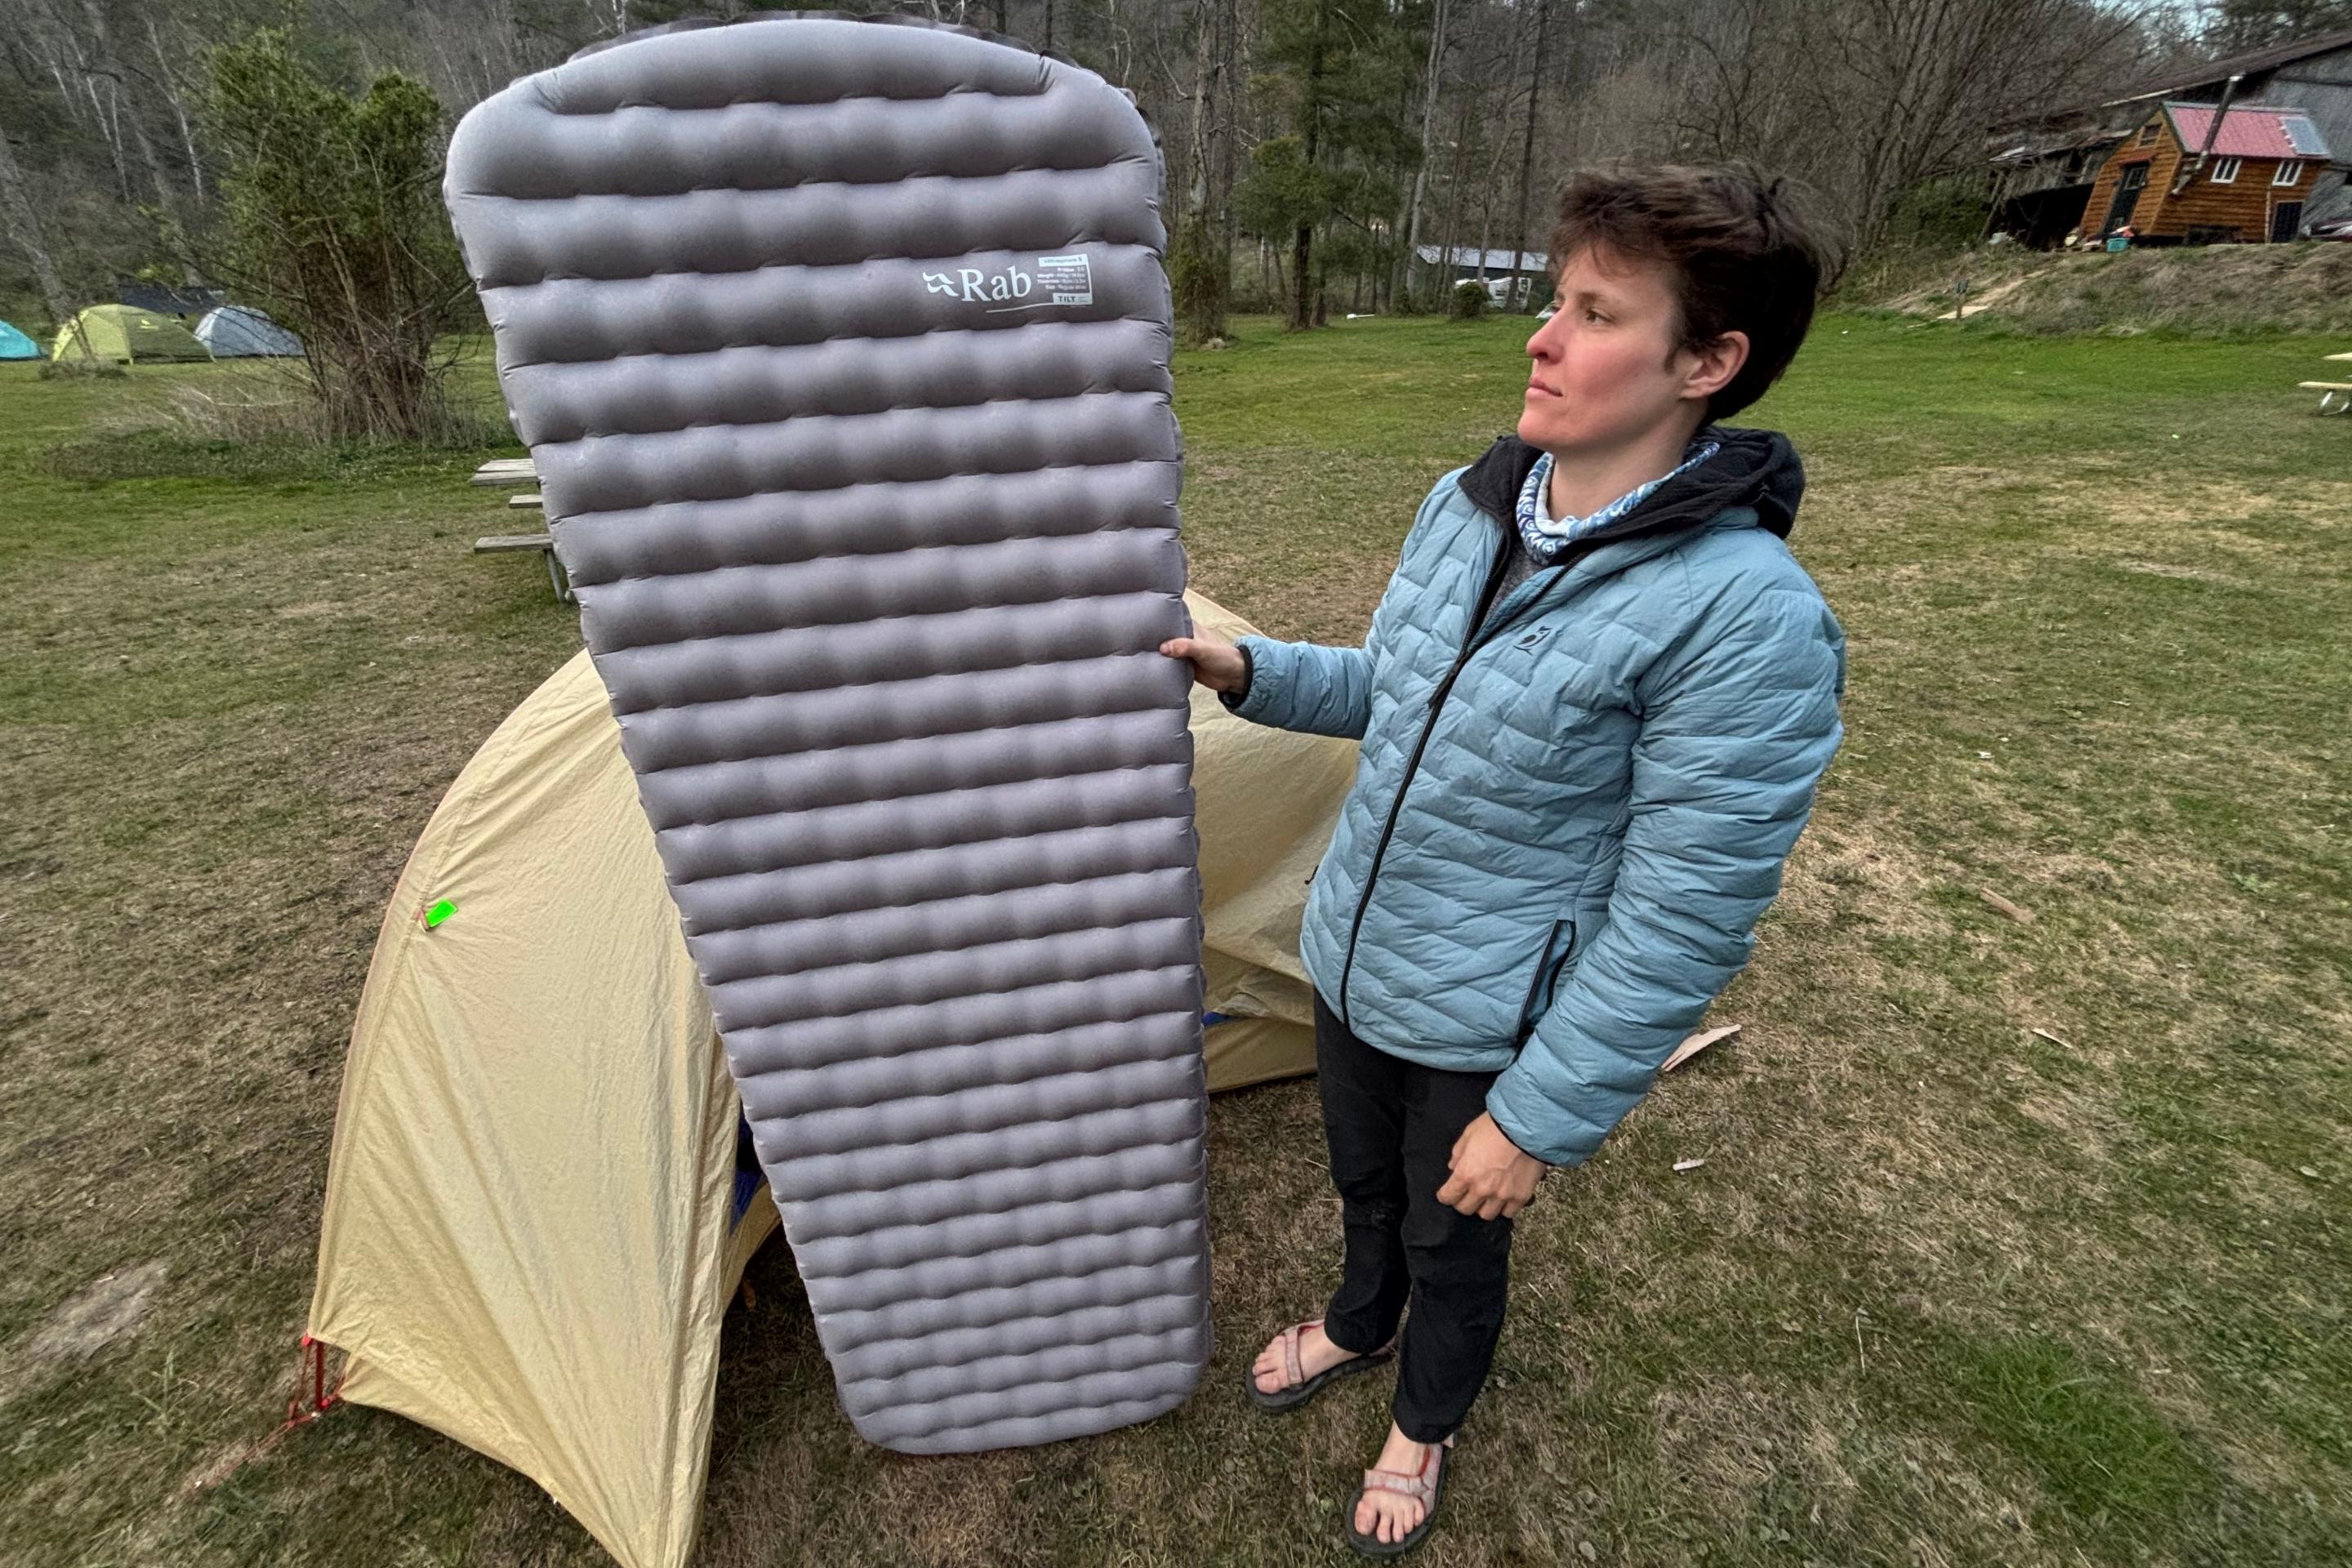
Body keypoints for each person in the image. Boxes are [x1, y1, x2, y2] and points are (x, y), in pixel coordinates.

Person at [1159, 163, 1846, 1558]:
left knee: (1452, 1238)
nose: (1540, 334)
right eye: (1555, 298)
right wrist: (1251, 668)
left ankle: (1423, 1422)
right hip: (1355, 954)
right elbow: (1401, 692)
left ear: (1708, 363)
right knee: (1363, 1188)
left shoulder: (1747, 619)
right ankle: (1357, 1327)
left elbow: (1684, 914)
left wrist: (1536, 1116)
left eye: (1595, 313)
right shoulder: (1474, 501)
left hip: (1492, 1022)